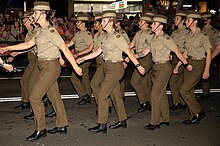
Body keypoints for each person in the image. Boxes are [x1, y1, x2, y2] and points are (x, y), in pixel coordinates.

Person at [0, 1, 82, 141]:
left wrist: (75, 66)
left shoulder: (50, 31)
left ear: (43, 14)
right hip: (43, 66)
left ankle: (40, 129)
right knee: (54, 96)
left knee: (35, 97)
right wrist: (9, 48)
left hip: (50, 66)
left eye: (36, 13)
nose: (34, 15)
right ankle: (62, 124)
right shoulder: (39, 31)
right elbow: (28, 44)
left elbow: (64, 48)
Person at [77, 10, 145, 134]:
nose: (101, 23)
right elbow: (98, 52)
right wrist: (83, 58)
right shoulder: (106, 36)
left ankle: (102, 124)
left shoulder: (117, 37)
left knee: (102, 95)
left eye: (103, 21)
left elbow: (128, 52)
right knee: (115, 95)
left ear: (110, 22)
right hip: (107, 66)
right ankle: (122, 120)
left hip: (115, 67)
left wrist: (138, 65)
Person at [136, 14, 192, 130]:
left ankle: (155, 121)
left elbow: (177, 51)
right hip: (156, 67)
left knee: (155, 94)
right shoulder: (153, 38)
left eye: (155, 24)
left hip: (164, 67)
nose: (152, 25)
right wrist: (132, 56)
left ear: (161, 26)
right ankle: (165, 119)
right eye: (152, 23)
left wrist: (186, 64)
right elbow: (146, 52)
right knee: (161, 95)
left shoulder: (166, 38)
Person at [176, 11, 211, 125]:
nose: (186, 22)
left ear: (195, 21)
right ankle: (193, 115)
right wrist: (178, 65)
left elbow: (209, 53)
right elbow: (186, 52)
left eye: (188, 20)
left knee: (183, 90)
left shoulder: (203, 36)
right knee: (189, 90)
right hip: (189, 63)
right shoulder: (188, 35)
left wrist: (206, 70)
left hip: (199, 63)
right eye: (186, 20)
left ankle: (198, 112)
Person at [129, 13, 154, 113]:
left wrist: (132, 57)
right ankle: (148, 102)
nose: (139, 23)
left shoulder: (150, 34)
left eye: (141, 21)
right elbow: (131, 45)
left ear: (146, 23)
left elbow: (147, 50)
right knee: (144, 82)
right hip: (139, 59)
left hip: (146, 59)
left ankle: (144, 102)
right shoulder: (138, 33)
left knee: (134, 82)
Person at [66, 13, 93, 105]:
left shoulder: (87, 34)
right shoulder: (78, 33)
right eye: (76, 22)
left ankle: (84, 95)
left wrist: (78, 55)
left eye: (78, 22)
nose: (76, 24)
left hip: (85, 57)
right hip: (79, 56)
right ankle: (88, 96)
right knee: (84, 77)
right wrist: (61, 46)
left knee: (74, 78)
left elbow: (90, 48)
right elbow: (70, 43)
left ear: (83, 23)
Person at [197, 12, 219, 99]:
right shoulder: (200, 30)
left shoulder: (213, 31)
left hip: (209, 54)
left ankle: (206, 93)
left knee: (205, 73)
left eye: (205, 20)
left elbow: (217, 44)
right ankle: (205, 91)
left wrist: (212, 56)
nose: (203, 22)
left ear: (209, 20)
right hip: (200, 54)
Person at [169, 11, 188, 110]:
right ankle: (183, 102)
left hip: (182, 58)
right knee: (179, 81)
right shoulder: (174, 32)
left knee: (172, 81)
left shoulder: (187, 32)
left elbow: (186, 49)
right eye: (175, 19)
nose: (175, 20)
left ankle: (177, 102)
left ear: (183, 20)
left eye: (177, 19)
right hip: (174, 58)